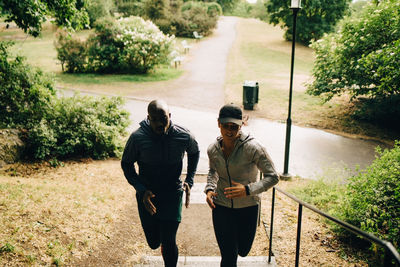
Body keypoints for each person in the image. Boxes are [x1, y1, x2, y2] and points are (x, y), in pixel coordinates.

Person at [121, 99, 200, 267]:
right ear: (148, 118)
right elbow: (126, 164)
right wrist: (141, 189)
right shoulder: (137, 138)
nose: (159, 123)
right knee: (154, 242)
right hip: (148, 196)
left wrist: (189, 180)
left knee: (169, 239)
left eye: (163, 118)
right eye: (154, 119)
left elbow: (194, 151)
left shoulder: (183, 135)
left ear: (170, 116)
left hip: (172, 193)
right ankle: (160, 242)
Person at [204, 103, 279, 267]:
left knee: (243, 250)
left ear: (242, 125)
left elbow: (273, 176)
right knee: (229, 256)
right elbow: (213, 171)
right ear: (218, 123)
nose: (229, 131)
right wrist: (210, 189)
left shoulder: (253, 148)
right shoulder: (213, 149)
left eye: (234, 126)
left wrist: (247, 190)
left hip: (248, 207)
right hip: (221, 207)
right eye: (225, 126)